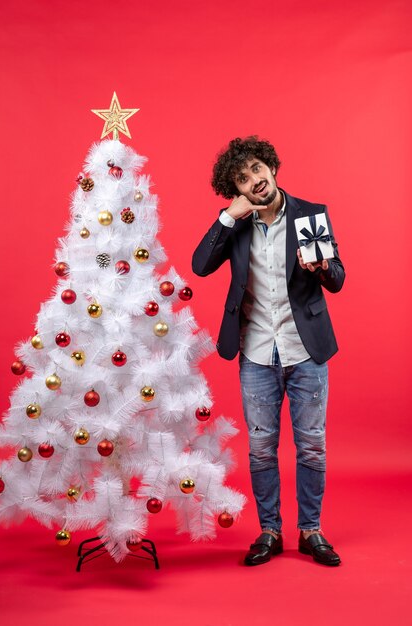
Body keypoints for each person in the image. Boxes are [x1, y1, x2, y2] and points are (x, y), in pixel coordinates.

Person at [192, 136, 345, 567]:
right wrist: (226, 218)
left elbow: (337, 278)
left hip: (306, 350)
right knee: (262, 448)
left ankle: (311, 531)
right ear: (236, 190)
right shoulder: (235, 223)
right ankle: (269, 531)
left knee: (311, 446)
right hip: (257, 351)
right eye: (242, 179)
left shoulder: (310, 215)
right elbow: (200, 265)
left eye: (257, 169)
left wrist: (323, 267)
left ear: (272, 167)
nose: (254, 180)